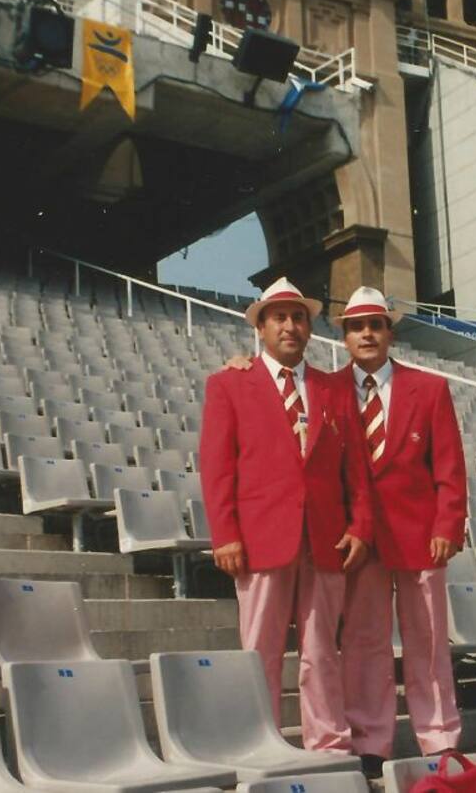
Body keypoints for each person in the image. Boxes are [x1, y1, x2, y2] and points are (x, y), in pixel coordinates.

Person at [199, 277, 373, 754]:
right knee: (260, 650)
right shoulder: (229, 385)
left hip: (325, 539)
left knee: (321, 652)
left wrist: (359, 525)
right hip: (259, 539)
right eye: (279, 317)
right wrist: (225, 535)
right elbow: (217, 469)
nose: (291, 326)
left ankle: (330, 744)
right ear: (260, 327)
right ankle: (259, 742)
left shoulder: (334, 389)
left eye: (299, 317)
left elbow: (355, 468)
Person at [334, 287, 466, 772]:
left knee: (427, 641)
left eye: (375, 324)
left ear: (390, 332)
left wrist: (448, 524)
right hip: (361, 540)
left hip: (421, 537)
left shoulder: (429, 389)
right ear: (344, 335)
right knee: (365, 641)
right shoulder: (328, 391)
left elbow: (450, 467)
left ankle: (439, 737)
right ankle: (370, 740)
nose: (366, 333)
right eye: (356, 326)